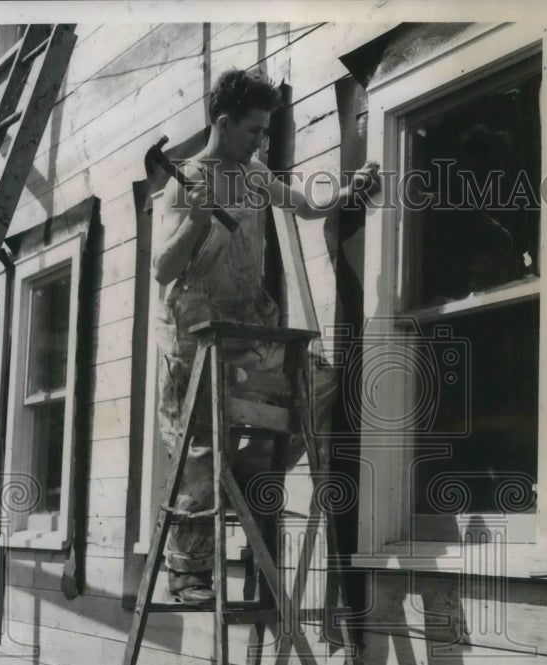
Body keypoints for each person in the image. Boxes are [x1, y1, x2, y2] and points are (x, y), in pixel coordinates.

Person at [152, 69, 380, 603]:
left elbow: (300, 204)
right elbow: (163, 268)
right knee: (203, 451)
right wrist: (198, 217)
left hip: (249, 324)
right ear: (224, 123)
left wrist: (350, 193)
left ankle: (254, 476)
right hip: (196, 336)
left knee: (318, 387)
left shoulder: (253, 175)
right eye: (255, 130)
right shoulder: (184, 182)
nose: (261, 141)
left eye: (266, 132)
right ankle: (188, 571)